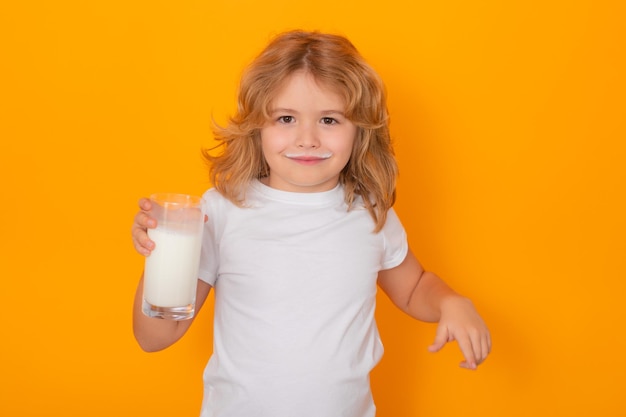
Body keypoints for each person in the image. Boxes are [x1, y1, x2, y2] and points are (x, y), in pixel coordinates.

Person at [131, 30, 491, 417]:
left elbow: (414, 287)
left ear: (360, 131)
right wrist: (161, 256)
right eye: (286, 118)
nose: (307, 139)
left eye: (329, 120)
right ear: (257, 126)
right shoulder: (221, 212)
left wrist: (452, 302)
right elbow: (155, 337)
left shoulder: (368, 211)